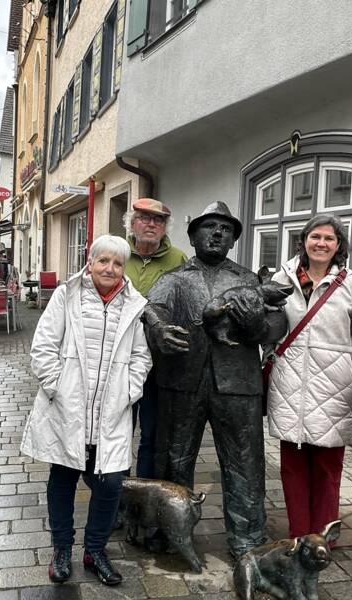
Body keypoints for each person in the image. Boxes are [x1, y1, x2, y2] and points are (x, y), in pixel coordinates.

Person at [144, 201, 287, 559]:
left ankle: (247, 537)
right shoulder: (173, 279)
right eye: (209, 226)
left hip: (238, 384)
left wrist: (255, 324)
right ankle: (167, 532)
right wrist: (159, 329)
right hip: (181, 381)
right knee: (174, 460)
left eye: (225, 229)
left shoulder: (248, 280)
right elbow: (151, 310)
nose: (218, 233)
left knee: (244, 463)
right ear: (192, 236)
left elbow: (275, 325)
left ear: (234, 239)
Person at [20, 235, 152, 587]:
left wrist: (130, 390)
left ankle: (95, 551)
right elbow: (43, 347)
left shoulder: (135, 305)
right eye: (103, 261)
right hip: (68, 408)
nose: (110, 269)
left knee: (109, 484)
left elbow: (142, 355)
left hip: (112, 410)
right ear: (89, 261)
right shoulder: (67, 295)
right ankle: (62, 548)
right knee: (63, 478)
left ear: (124, 268)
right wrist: (58, 387)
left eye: (117, 263)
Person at [266, 215, 352, 543]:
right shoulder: (282, 279)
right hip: (290, 385)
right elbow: (268, 329)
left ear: (339, 245)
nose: (321, 243)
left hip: (334, 388)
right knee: (293, 469)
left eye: (329, 238)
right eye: (315, 236)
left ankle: (323, 537)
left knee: (327, 469)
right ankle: (299, 535)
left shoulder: (351, 285)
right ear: (304, 240)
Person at [123, 198, 188, 479]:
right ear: (131, 222)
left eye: (158, 220)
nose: (151, 224)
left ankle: (145, 492)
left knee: (152, 432)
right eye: (144, 218)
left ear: (165, 227)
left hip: (158, 363)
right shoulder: (118, 253)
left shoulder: (179, 260)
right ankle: (117, 492)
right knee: (117, 431)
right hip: (119, 359)